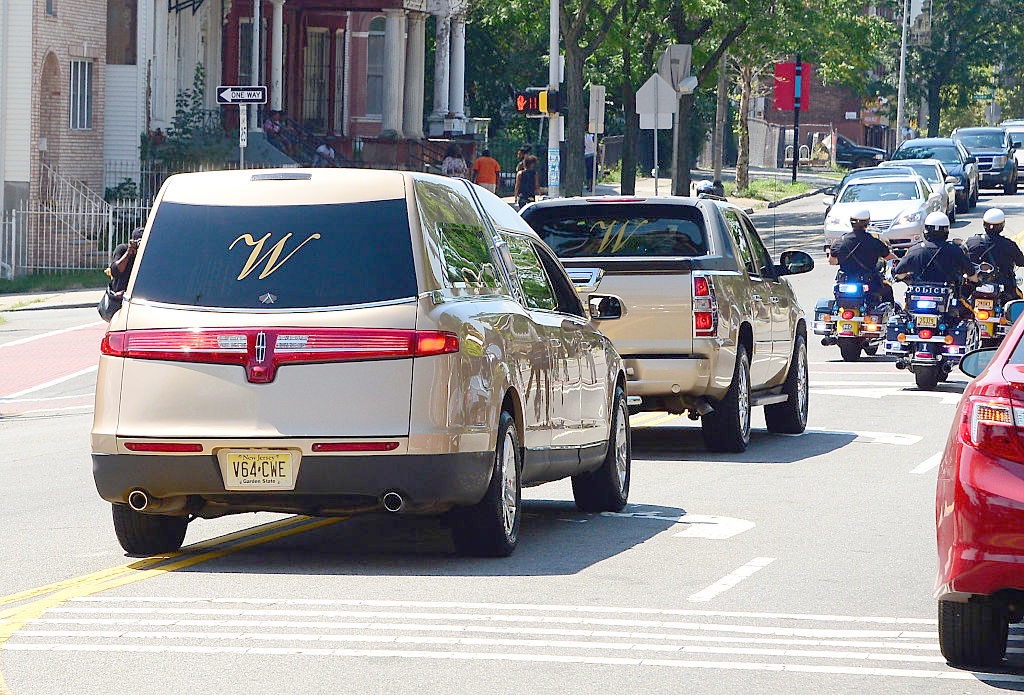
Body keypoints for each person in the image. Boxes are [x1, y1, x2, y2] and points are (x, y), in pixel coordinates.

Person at [894, 211, 978, 310]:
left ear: (926, 229)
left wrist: (901, 278)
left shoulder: (915, 250)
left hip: (917, 300)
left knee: (903, 315)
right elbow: (972, 275)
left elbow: (899, 272)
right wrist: (976, 283)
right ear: (946, 230)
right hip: (948, 299)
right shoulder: (955, 250)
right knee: (970, 316)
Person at [828, 208, 898, 308]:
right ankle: (889, 319)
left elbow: (832, 261)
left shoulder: (840, 241)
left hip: (845, 283)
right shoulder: (874, 242)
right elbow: (891, 259)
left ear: (851, 222)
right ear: (867, 223)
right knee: (887, 289)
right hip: (870, 284)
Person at [964, 207, 1024, 304]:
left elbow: (962, 261)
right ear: (1002, 225)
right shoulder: (1009, 244)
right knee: (1017, 303)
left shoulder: (971, 242)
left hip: (974, 286)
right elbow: (1021, 261)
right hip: (1004, 287)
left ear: (984, 224)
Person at [108, 227, 144, 296]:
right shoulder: (122, 249)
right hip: (119, 295)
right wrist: (128, 253)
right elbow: (114, 271)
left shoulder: (148, 254)